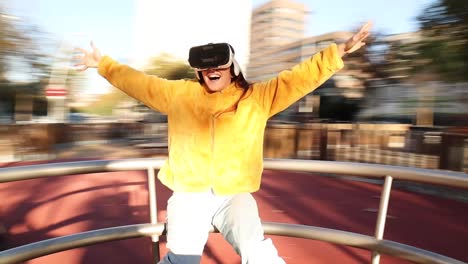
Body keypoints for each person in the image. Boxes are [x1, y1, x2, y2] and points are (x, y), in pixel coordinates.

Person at [76, 21, 372, 264]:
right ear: (198, 72)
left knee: (258, 252)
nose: (211, 71)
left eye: (219, 64)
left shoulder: (257, 97)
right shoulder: (180, 94)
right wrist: (102, 64)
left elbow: (297, 79)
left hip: (234, 194)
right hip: (190, 193)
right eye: (205, 68)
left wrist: (339, 53)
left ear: (233, 67)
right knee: (182, 260)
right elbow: (139, 82)